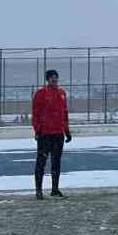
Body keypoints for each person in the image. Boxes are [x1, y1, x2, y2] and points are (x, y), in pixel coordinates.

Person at [31, 68, 72, 199]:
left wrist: (66, 131)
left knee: (56, 162)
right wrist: (37, 130)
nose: (54, 80)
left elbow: (64, 114)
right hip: (45, 134)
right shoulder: (40, 93)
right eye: (52, 78)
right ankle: (38, 190)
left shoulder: (62, 93)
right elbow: (35, 114)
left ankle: (55, 189)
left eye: (56, 77)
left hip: (58, 134)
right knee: (41, 162)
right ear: (47, 79)